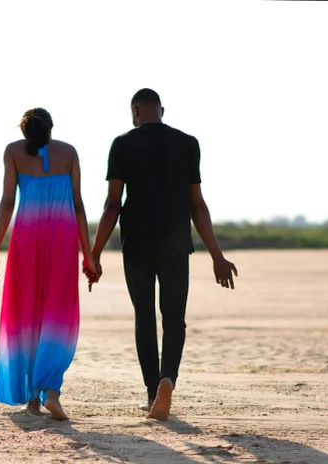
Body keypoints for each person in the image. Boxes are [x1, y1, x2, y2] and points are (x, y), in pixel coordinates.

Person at [90, 88, 238, 421]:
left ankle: (151, 393)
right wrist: (217, 255)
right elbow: (197, 205)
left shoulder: (122, 144)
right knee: (174, 318)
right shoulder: (188, 143)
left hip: (137, 242)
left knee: (144, 318)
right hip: (174, 242)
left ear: (135, 112)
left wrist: (94, 254)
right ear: (161, 110)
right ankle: (167, 379)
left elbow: (113, 204)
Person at [0, 108, 98, 421]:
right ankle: (51, 390)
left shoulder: (13, 152)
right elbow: (78, 204)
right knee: (59, 312)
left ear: (25, 132)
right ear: (51, 128)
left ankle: (32, 400)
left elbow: (8, 201)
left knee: (26, 312)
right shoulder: (69, 153)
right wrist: (88, 254)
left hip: (26, 240)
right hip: (62, 240)